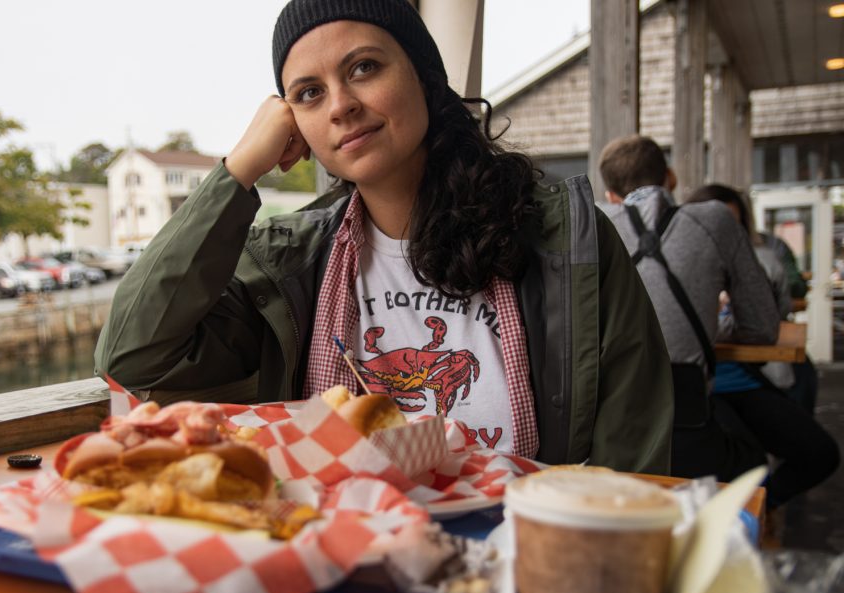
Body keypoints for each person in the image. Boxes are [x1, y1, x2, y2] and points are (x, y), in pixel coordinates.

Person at [95, 0, 673, 474]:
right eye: (309, 94)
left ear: (424, 76)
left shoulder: (568, 240)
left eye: (364, 67)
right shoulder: (290, 265)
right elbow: (132, 357)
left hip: (523, 567)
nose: (342, 105)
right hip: (346, 563)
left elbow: (636, 452)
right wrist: (238, 170)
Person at [598, 135, 781, 484]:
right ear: (671, 178)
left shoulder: (592, 223)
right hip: (688, 429)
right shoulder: (714, 220)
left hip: (607, 439)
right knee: (756, 462)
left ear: (611, 196)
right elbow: (763, 328)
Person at [684, 184, 838, 508]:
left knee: (820, 452)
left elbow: (767, 322)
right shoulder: (682, 263)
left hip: (746, 379)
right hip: (700, 389)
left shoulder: (763, 261)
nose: (724, 234)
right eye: (716, 225)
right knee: (745, 462)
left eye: (732, 226)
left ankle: (759, 505)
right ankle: (742, 509)